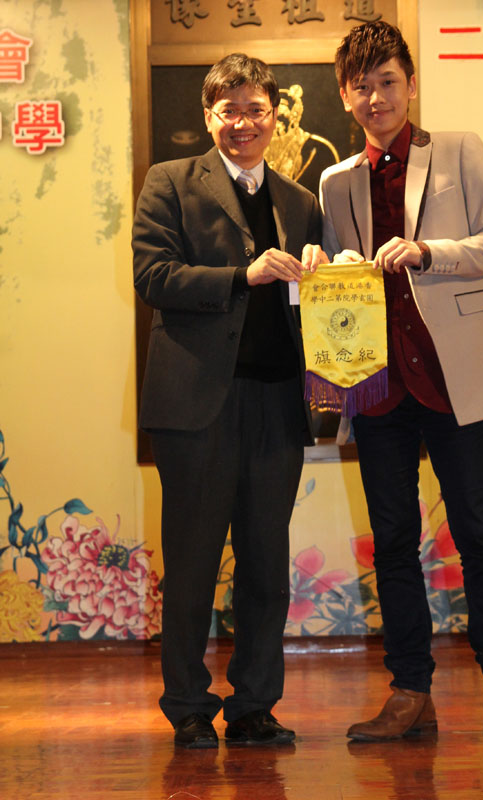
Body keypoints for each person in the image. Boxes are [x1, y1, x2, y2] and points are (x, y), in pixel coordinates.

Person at [317, 21, 483, 741]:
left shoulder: (457, 149)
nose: (376, 97)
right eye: (362, 86)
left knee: (479, 536)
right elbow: (338, 276)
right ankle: (409, 692)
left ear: (411, 84)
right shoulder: (335, 181)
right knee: (393, 543)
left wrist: (428, 251)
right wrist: (328, 269)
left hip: (454, 378)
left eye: (388, 82)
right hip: (377, 385)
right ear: (345, 95)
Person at [132, 53, 325, 748]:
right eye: (228, 110)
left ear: (276, 117)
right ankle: (187, 704)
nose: (243, 123)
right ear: (208, 115)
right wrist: (243, 274)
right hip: (196, 406)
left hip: (277, 402)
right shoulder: (169, 181)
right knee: (191, 563)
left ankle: (254, 705)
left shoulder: (301, 202)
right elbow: (153, 276)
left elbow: (315, 307)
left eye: (256, 110)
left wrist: (325, 278)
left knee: (266, 567)